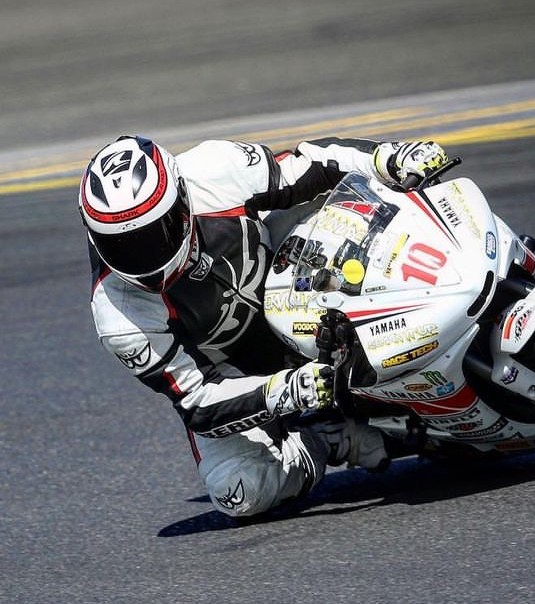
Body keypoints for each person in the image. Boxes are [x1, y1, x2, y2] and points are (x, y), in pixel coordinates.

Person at [79, 134, 449, 518]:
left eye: (157, 234)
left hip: (294, 271)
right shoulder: (119, 317)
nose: (145, 258)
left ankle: (440, 268)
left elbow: (308, 166)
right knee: (236, 489)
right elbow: (198, 401)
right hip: (238, 373)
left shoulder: (215, 169)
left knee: (353, 191)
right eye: (123, 247)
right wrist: (285, 391)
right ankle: (331, 437)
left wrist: (386, 157)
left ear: (182, 200)